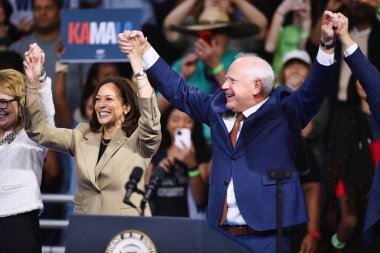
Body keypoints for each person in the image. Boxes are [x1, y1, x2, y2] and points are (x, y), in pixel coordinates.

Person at [118, 10, 340, 252]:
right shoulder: (216, 109)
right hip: (219, 235)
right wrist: (145, 49)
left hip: (266, 237)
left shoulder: (284, 111)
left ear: (257, 86)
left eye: (232, 80)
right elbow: (178, 90)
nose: (223, 85)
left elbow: (315, 90)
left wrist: (327, 45)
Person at [23, 52, 162, 216]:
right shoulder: (82, 134)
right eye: (97, 99)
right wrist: (32, 83)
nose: (101, 105)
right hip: (87, 227)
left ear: (126, 107)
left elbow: (151, 121)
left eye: (109, 99)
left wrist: (139, 70)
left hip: (126, 230)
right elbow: (38, 131)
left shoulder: (139, 139)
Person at [327, 7, 380, 246]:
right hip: (356, 188)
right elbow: (338, 159)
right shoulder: (346, 117)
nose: (362, 83)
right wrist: (345, 38)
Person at [0, 43, 54, 253]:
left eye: (5, 102)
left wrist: (39, 80)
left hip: (20, 220)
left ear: (20, 102)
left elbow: (47, 118)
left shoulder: (31, 135)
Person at [280, 50, 324, 253]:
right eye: (290, 65)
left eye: (301, 66)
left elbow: (312, 188)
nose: (295, 70)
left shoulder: (319, 98)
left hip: (294, 224)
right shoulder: (268, 102)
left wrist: (313, 231)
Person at [147, 106, 211, 218]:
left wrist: (192, 165)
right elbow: (146, 195)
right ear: (166, 125)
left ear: (194, 126)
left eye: (188, 121)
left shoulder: (201, 154)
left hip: (190, 223)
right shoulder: (155, 154)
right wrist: (158, 172)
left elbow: (200, 199)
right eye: (175, 120)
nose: (181, 125)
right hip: (160, 221)